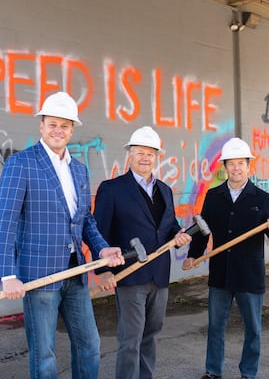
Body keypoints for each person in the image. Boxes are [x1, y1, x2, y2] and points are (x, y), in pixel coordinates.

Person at [0, 91, 125, 379]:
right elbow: (5, 219)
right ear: (41, 125)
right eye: (52, 124)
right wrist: (7, 274)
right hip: (39, 275)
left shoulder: (78, 169)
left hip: (74, 272)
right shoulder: (22, 163)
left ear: (72, 129)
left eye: (65, 126)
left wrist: (101, 249)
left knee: (90, 345)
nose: (58, 130)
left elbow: (85, 219)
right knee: (44, 355)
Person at [93, 126, 192, 379]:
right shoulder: (112, 189)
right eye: (140, 153)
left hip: (159, 275)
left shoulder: (165, 191)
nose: (145, 158)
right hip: (130, 275)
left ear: (156, 156)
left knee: (151, 334)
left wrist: (178, 235)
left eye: (150, 153)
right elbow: (99, 231)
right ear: (130, 154)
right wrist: (103, 270)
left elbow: (168, 226)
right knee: (131, 338)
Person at [182, 137, 269, 379]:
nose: (236, 168)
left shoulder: (262, 198)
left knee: (253, 329)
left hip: (249, 275)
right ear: (225, 166)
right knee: (216, 326)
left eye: (241, 163)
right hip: (220, 273)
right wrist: (193, 255)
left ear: (249, 165)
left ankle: (248, 373)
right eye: (231, 163)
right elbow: (202, 229)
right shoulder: (214, 196)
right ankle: (213, 371)